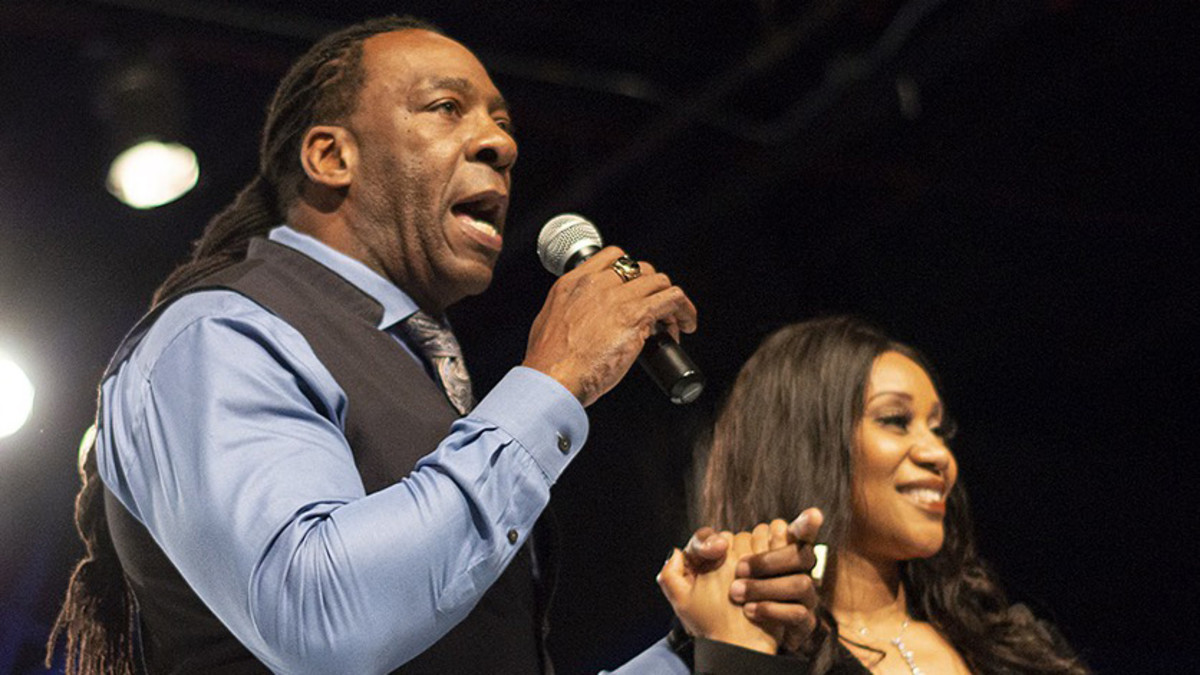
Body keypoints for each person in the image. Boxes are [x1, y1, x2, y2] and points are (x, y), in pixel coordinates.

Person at [47, 15, 820, 675]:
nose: (501, 146)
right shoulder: (218, 332)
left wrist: (700, 648)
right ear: (331, 157)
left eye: (503, 123)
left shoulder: (422, 375)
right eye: (446, 109)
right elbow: (319, 617)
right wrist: (550, 381)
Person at [658, 316, 1090, 673]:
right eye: (896, 420)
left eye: (939, 430)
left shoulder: (1010, 645)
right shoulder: (751, 654)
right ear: (810, 444)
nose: (939, 454)